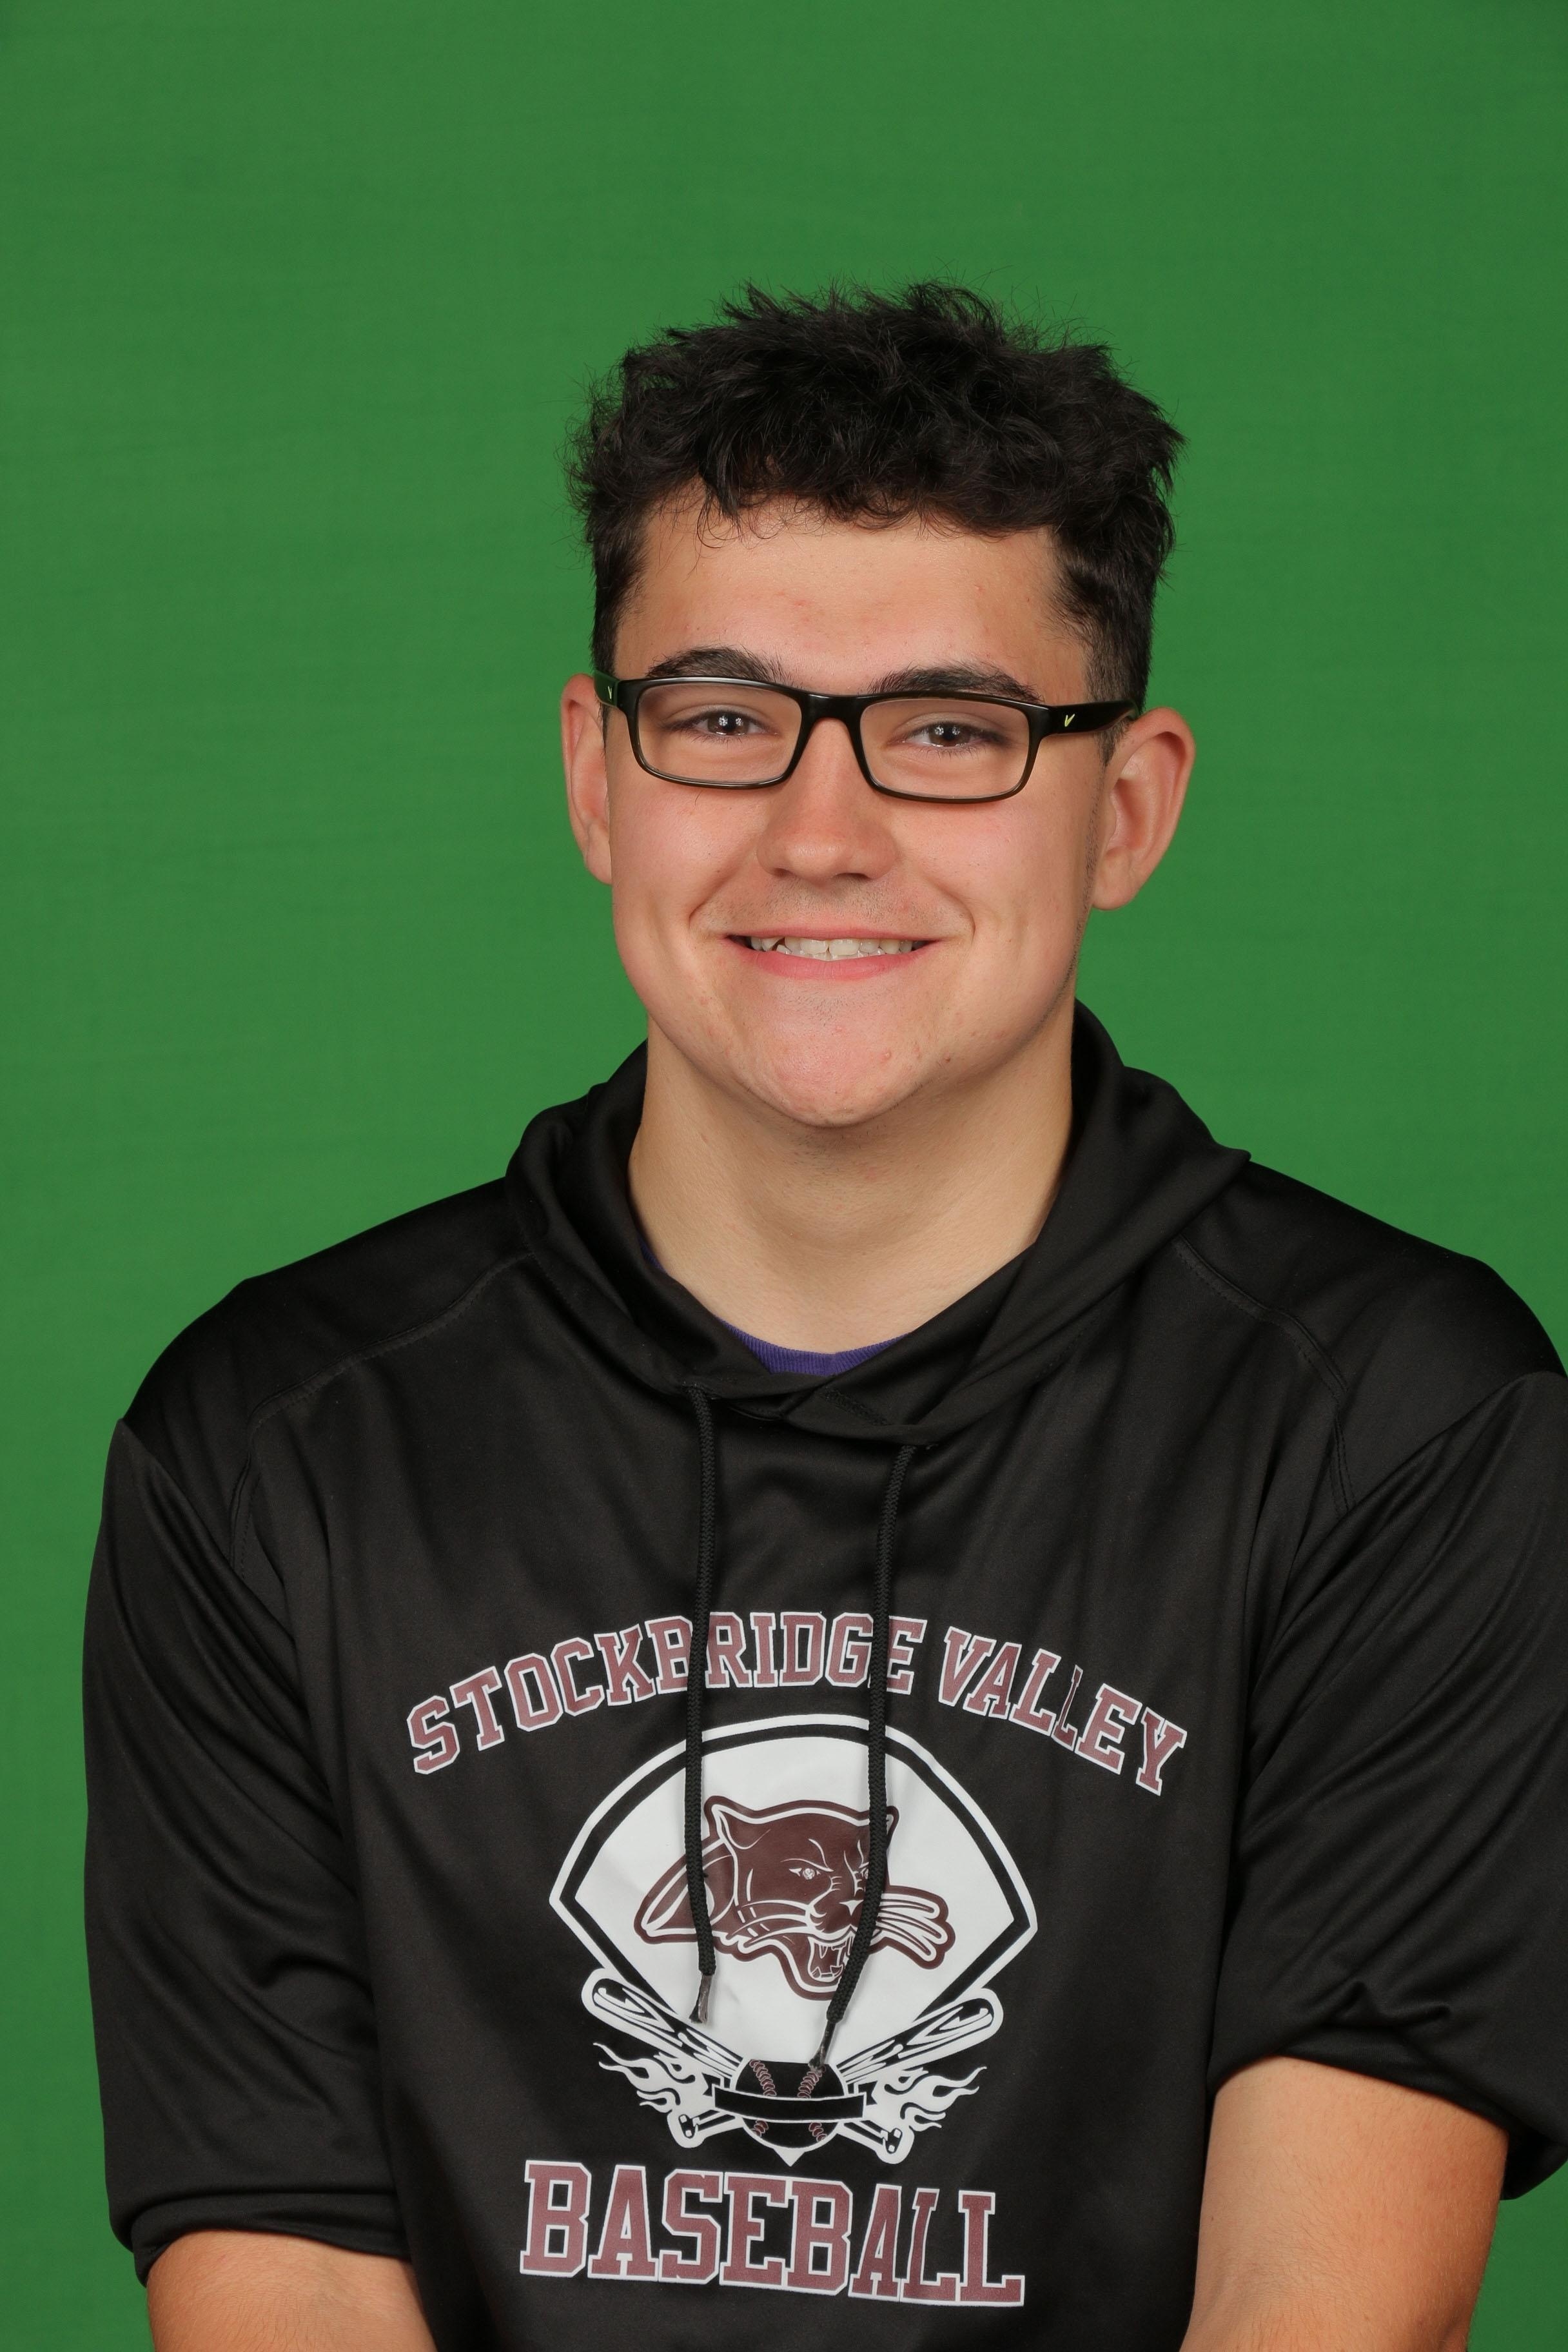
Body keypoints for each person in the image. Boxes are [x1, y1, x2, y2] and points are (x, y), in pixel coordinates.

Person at [85, 283, 1568, 2352]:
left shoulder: (1398, 1427)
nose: (821, 832)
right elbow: (288, 2277)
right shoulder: (277, 1446)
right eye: (722, 718)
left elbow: (1320, 2306)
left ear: (1126, 807)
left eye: (950, 730)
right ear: (597, 776)